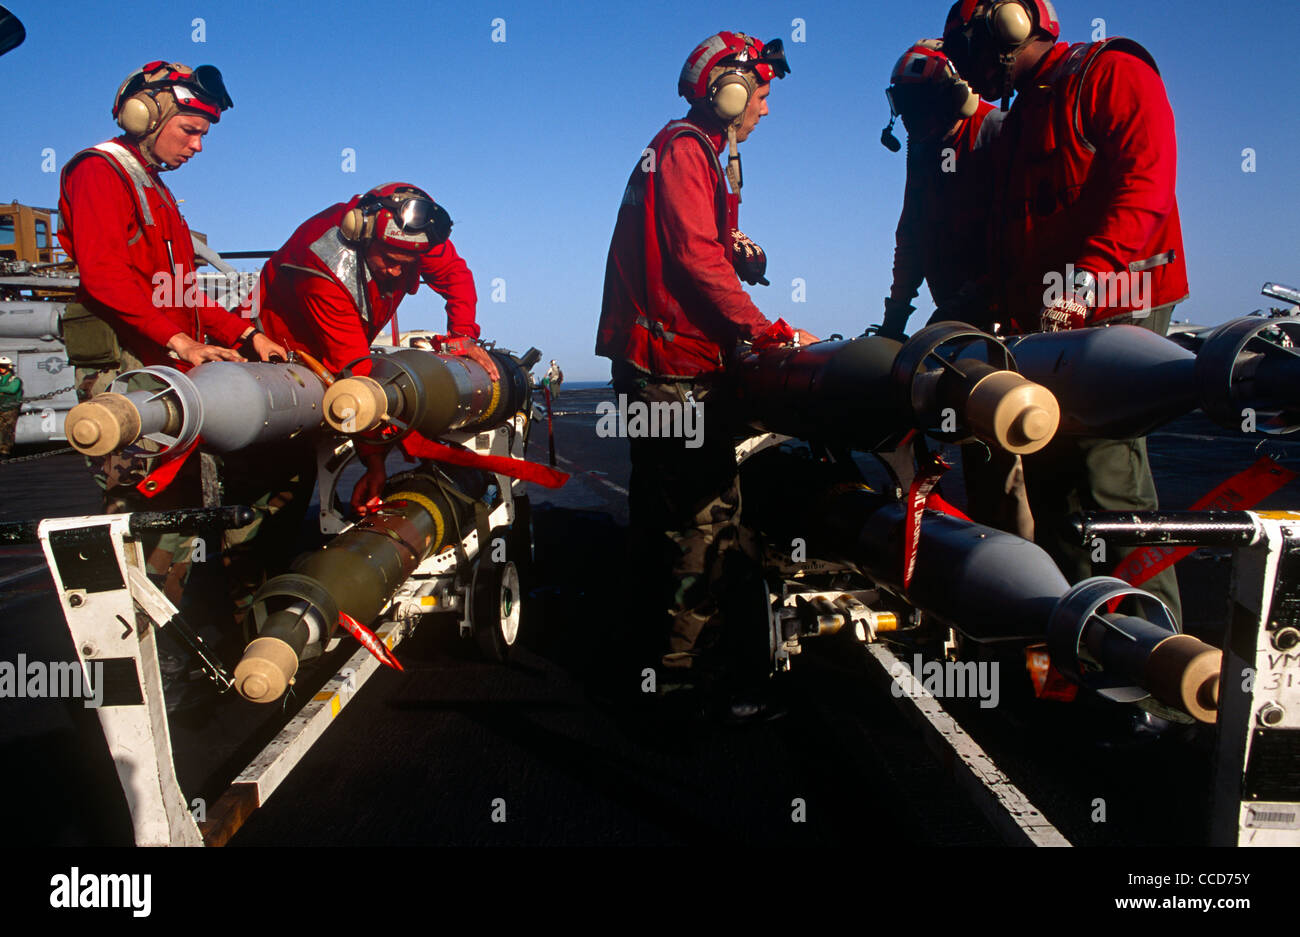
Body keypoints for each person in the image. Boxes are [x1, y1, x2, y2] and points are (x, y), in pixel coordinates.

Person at [941, 0, 1187, 619]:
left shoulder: (1109, 73)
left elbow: (1146, 183)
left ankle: (1153, 674)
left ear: (1006, 30)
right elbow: (1014, 229)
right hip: (1045, 320)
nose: (968, 73)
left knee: (1107, 478)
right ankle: (1084, 646)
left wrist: (1086, 284)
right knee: (1051, 476)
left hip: (1113, 306)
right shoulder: (1025, 113)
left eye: (969, 52)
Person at [596, 30, 814, 709]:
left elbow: (696, 249)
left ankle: (645, 655)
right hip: (675, 368)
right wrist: (768, 333)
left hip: (654, 363)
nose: (766, 110)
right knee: (705, 517)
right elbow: (693, 262)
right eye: (763, 94)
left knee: (659, 511)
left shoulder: (692, 154)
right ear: (730, 91)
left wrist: (734, 250)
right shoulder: (686, 151)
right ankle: (685, 676)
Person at [57, 61, 287, 601]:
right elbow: (105, 276)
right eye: (191, 130)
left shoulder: (153, 190)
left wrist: (247, 335)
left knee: (183, 518)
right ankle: (134, 653)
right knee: (145, 524)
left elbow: (182, 292)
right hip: (131, 383)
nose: (198, 147)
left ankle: (177, 643)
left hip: (164, 372)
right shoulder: (99, 172)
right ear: (147, 114)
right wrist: (179, 341)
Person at [255, 182, 493, 513]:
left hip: (339, 358)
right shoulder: (322, 262)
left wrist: (462, 336)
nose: (398, 271)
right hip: (278, 366)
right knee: (274, 496)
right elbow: (358, 375)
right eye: (392, 260)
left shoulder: (415, 235)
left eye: (411, 263)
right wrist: (375, 465)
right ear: (361, 233)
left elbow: (455, 276)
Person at [878, 40, 1004, 340]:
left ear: (955, 97)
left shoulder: (996, 133)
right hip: (955, 306)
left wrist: (973, 298)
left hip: (1002, 307)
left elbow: (1019, 234)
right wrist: (896, 311)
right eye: (903, 105)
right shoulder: (924, 148)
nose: (909, 120)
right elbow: (912, 231)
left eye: (918, 105)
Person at [0, 356, 21, 457]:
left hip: (10, 409)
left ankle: (5, 452)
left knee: (8, 430)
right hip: (1, 407)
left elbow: (12, 389)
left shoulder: (15, 380)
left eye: (3, 366)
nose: (1, 369)